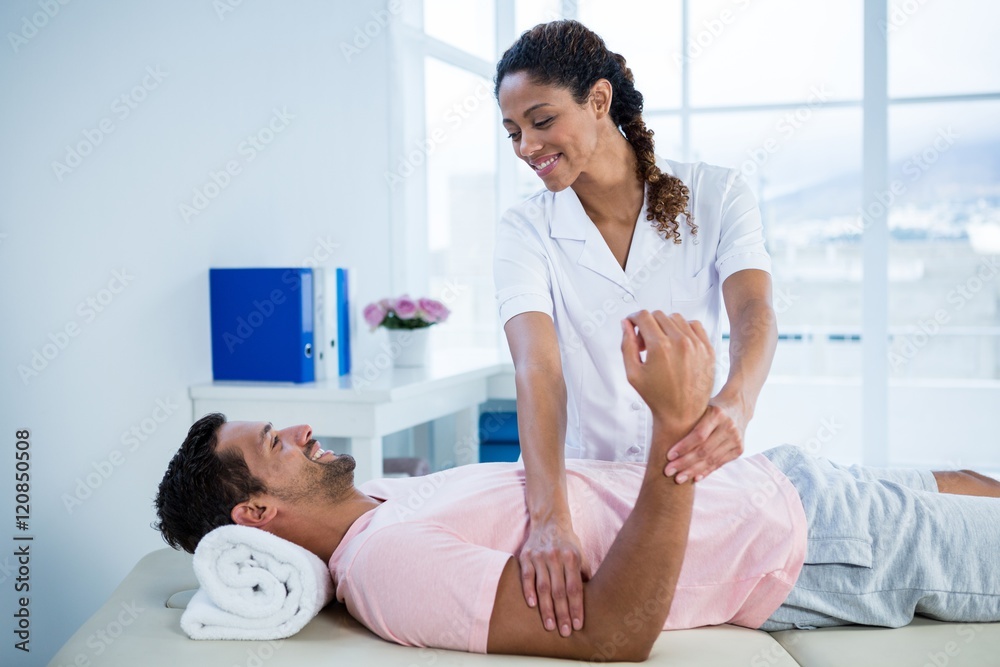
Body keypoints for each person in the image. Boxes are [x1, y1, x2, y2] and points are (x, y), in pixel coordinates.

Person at [155, 310, 1000, 662]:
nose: (303, 430)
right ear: (256, 511)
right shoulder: (388, 565)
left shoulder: (380, 499)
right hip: (809, 548)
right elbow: (614, 633)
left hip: (776, 478)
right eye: (276, 442)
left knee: (972, 478)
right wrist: (673, 419)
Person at [492, 20, 778, 635]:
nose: (525, 147)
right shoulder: (525, 229)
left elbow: (753, 312)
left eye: (541, 121)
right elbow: (537, 366)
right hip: (576, 485)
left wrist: (738, 401)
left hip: (686, 478)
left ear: (598, 100)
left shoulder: (716, 194)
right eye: (513, 132)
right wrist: (549, 518)